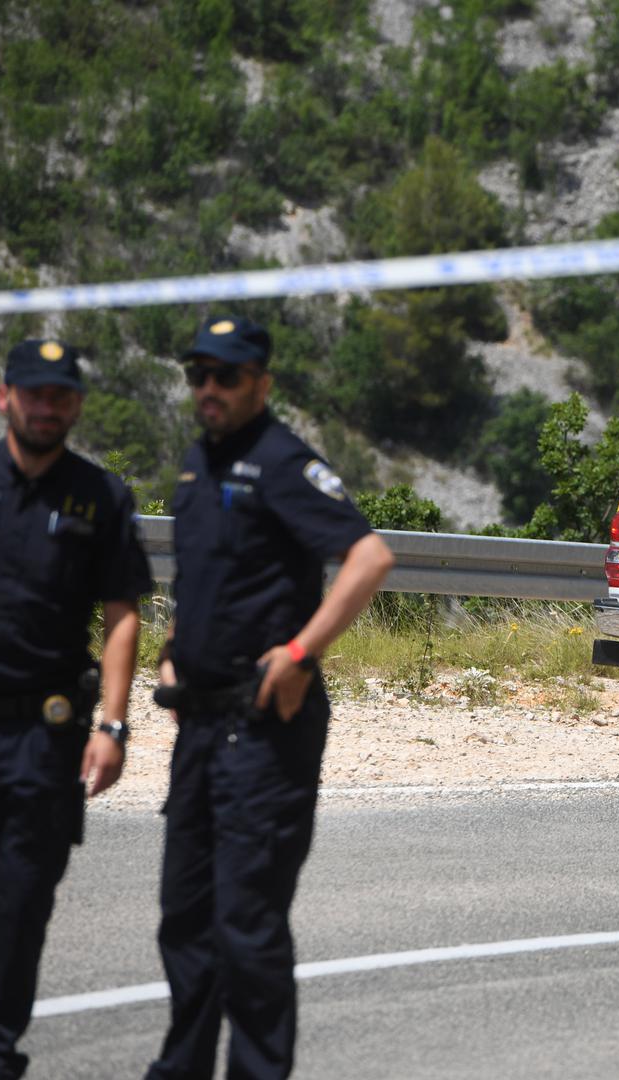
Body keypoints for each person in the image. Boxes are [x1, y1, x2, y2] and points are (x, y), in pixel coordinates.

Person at [146, 316, 393, 1080]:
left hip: (263, 731)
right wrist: (169, 650)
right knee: (185, 922)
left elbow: (370, 555)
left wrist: (297, 653)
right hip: (198, 722)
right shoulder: (197, 463)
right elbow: (204, 581)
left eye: (226, 376)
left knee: (246, 927)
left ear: (261, 382)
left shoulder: (282, 460)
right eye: (199, 375)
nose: (209, 389)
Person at [0, 339, 151, 1080]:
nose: (46, 406)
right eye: (33, 393)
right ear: (4, 396)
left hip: (43, 736)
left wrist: (113, 726)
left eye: (60, 395)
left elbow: (123, 613)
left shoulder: (99, 496)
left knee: (20, 903)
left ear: (76, 405)